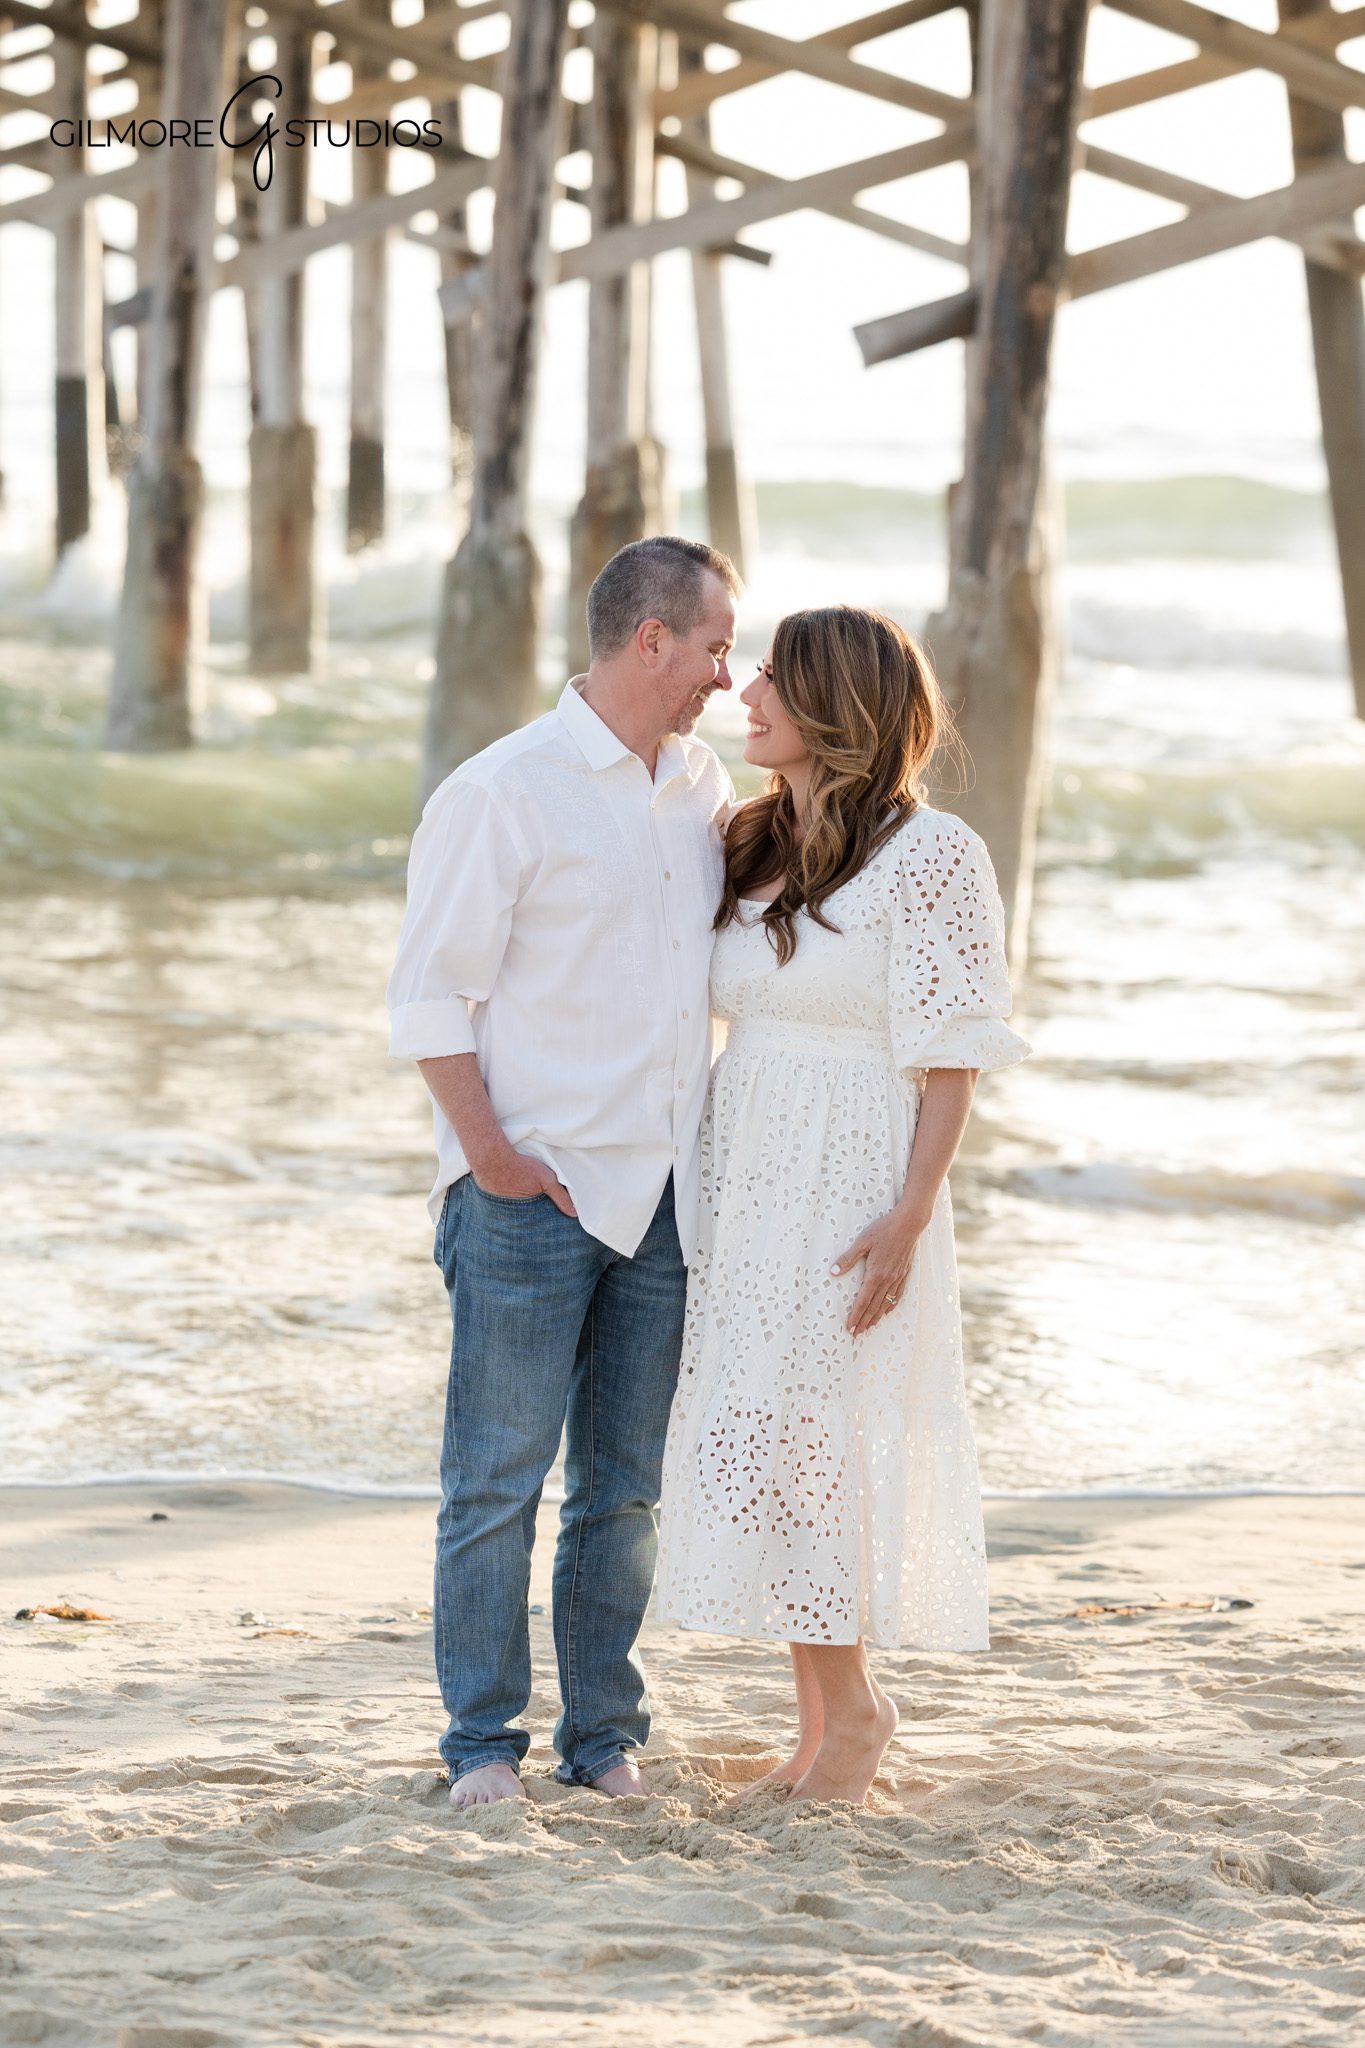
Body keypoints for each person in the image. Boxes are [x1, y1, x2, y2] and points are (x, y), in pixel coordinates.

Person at [387, 536, 740, 1808]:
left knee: (623, 1493)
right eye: (713, 646)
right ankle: (483, 1743)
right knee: (495, 1484)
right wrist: (491, 1158)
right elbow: (428, 997)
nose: (725, 672)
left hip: (664, 1200)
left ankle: (602, 1739)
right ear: (652, 640)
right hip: (529, 1198)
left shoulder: (702, 785)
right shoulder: (503, 791)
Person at [656, 604, 1029, 1806]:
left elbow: (954, 1058)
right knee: (771, 1431)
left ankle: (859, 1710)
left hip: (855, 1175)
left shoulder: (934, 854)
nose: (746, 693)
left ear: (837, 705)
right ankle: (821, 1723)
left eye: (773, 677)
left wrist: (910, 1215)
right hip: (748, 1169)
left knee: (816, 1434)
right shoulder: (748, 835)